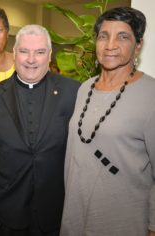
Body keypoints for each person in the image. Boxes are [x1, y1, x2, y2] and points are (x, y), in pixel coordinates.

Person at [0, 24, 80, 236]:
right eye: (24, 51)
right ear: (14, 53)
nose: (31, 59)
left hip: (57, 206)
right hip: (9, 206)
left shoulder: (73, 91)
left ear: (49, 55)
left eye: (40, 52)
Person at [60, 7, 155, 236]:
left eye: (123, 37)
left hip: (124, 224)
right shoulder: (84, 88)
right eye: (103, 36)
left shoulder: (151, 94)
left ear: (138, 45)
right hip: (74, 219)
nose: (110, 44)